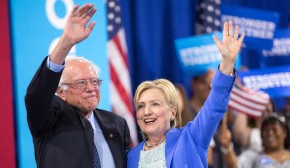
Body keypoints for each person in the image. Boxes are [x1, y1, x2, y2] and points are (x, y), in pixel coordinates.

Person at [25, 4, 131, 168]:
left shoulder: (117, 123)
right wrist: (65, 44)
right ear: (61, 91)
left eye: (94, 81)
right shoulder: (48, 120)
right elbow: (37, 97)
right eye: (81, 83)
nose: (91, 88)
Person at [127, 21, 245, 167]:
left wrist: (227, 63)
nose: (146, 112)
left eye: (155, 104)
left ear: (172, 112)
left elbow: (214, 105)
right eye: (140, 106)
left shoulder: (191, 137)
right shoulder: (131, 157)